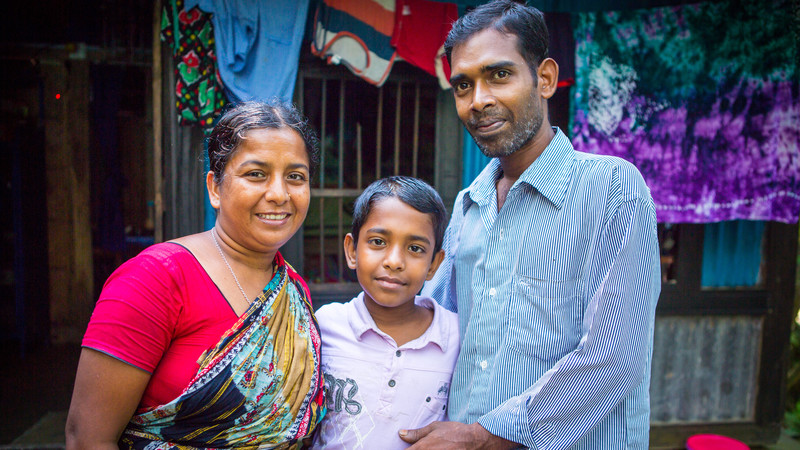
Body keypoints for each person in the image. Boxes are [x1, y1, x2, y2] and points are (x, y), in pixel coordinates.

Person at [400, 1, 661, 449]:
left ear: (544, 78)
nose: (478, 100)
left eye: (498, 75)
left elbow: (615, 357)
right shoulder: (469, 205)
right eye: (463, 84)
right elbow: (431, 324)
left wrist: (483, 437)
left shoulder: (611, 189)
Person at [65, 100, 326, 449]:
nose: (279, 194)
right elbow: (87, 439)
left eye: (295, 176)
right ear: (215, 188)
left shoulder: (293, 291)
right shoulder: (155, 278)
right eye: (256, 174)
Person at [311, 176, 460, 449]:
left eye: (415, 249)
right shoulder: (325, 326)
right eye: (378, 242)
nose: (394, 262)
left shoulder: (455, 338)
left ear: (434, 264)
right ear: (352, 250)